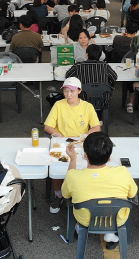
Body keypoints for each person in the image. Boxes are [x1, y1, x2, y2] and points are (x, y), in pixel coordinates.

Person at [62, 132, 137, 250]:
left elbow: (65, 194)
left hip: (85, 219)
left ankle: (79, 228)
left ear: (85, 155)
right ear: (109, 157)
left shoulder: (72, 176)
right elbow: (132, 194)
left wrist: (73, 160)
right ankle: (111, 233)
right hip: (117, 218)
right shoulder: (123, 172)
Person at [45, 77, 101, 213]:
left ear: (79, 91)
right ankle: (59, 194)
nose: (68, 94)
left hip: (81, 144)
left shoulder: (87, 106)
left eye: (72, 91)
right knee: (56, 166)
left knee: (85, 167)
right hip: (63, 143)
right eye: (65, 91)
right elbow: (47, 126)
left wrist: (86, 134)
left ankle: (80, 193)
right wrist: (58, 134)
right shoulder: (59, 104)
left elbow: (96, 127)